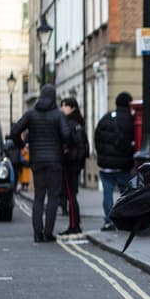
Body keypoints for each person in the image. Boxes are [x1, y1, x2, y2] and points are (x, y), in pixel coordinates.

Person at [10, 84, 71, 243]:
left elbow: (15, 131)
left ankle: (37, 234)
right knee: (52, 197)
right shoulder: (58, 115)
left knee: (38, 196)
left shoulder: (31, 114)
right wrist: (64, 146)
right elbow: (66, 134)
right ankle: (48, 233)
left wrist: (21, 145)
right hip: (55, 161)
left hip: (36, 161)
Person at [94, 91, 135, 231]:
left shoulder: (105, 118)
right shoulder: (130, 120)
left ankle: (108, 220)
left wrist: (101, 155)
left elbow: (97, 137)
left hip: (105, 166)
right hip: (123, 165)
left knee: (107, 194)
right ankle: (124, 220)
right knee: (125, 194)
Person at [59, 97, 89, 236]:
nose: (62, 108)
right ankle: (75, 222)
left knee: (70, 195)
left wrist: (67, 153)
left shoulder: (69, 123)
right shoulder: (78, 123)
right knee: (72, 195)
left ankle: (73, 225)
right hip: (75, 163)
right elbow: (84, 146)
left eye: (64, 106)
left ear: (72, 108)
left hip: (70, 163)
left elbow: (74, 144)